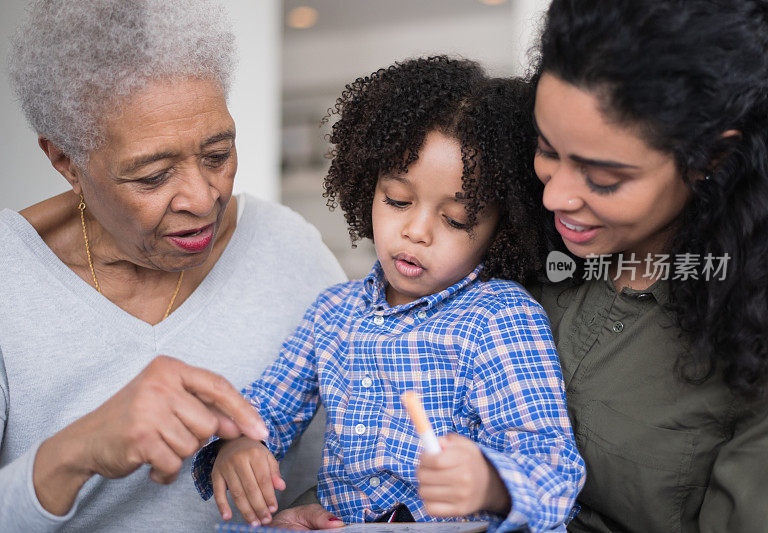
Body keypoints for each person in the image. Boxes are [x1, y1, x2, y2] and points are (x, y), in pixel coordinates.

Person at [0, 1, 346, 531]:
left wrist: (294, 516)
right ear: (67, 163)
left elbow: (349, 471)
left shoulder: (288, 250)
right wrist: (80, 449)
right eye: (153, 176)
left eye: (218, 155)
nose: (202, 197)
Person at [192, 57, 585, 532]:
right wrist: (239, 444)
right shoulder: (333, 314)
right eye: (397, 200)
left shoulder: (499, 317)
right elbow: (266, 408)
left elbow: (554, 469)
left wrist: (492, 484)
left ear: (503, 225)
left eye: (456, 219)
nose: (416, 232)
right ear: (366, 188)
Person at [527, 0, 768, 531]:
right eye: (547, 149)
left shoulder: (750, 330)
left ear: (711, 159)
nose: (556, 197)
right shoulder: (521, 248)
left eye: (604, 179)